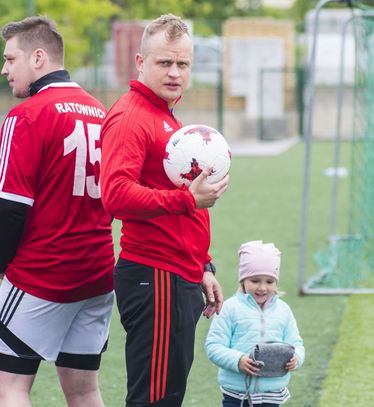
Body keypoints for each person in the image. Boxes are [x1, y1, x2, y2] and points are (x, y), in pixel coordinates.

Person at [100, 14, 229, 406]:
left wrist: (203, 265)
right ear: (140, 62)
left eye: (182, 63)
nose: (175, 72)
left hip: (177, 274)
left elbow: (173, 193)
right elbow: (115, 195)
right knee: (153, 399)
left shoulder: (165, 115)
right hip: (154, 275)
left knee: (167, 395)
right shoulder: (132, 116)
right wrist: (187, 200)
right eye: (164, 62)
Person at [0, 16, 114, 406]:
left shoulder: (26, 115)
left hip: (43, 274)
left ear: (38, 58)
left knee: (9, 387)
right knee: (84, 390)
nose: (5, 70)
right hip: (97, 275)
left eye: (10, 59)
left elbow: (10, 208)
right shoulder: (100, 111)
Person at [205, 241, 305, 407]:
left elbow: (296, 344)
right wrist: (238, 360)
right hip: (236, 394)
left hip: (272, 393)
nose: (262, 287)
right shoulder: (230, 308)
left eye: (269, 281)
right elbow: (213, 346)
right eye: (255, 280)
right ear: (243, 280)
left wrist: (297, 358)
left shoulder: (283, 310)